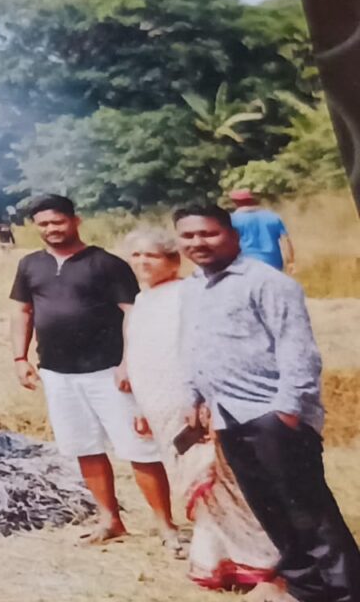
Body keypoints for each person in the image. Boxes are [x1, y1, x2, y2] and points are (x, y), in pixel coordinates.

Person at [175, 203, 360, 602]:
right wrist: (193, 394)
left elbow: (298, 351)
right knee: (270, 510)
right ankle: (307, 588)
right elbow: (192, 345)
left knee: (310, 514)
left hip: (272, 415)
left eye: (208, 233)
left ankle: (346, 592)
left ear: (234, 236)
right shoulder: (191, 287)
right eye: (188, 236)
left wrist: (289, 410)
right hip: (228, 414)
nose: (198, 243)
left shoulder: (267, 283)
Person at [122, 227, 282, 595]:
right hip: (157, 403)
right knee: (187, 477)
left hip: (193, 403)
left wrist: (209, 401)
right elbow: (137, 353)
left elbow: (206, 350)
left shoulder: (189, 294)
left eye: (152, 256)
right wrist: (139, 406)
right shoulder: (142, 301)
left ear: (173, 260)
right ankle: (214, 558)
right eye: (136, 256)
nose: (143, 263)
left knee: (218, 476)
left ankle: (256, 559)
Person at [9, 194, 176, 545]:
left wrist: (128, 363)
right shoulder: (29, 265)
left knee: (138, 449)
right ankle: (109, 520)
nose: (52, 229)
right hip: (57, 372)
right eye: (44, 224)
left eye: (58, 222)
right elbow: (22, 311)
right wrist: (20, 358)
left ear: (75, 221)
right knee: (84, 447)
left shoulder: (107, 264)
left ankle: (165, 526)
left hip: (109, 371)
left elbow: (134, 313)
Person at [229, 189, 295, 273]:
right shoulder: (273, 217)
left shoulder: (232, 220)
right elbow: (286, 241)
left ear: (236, 202)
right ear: (253, 200)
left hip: (246, 265)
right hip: (273, 264)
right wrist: (290, 262)